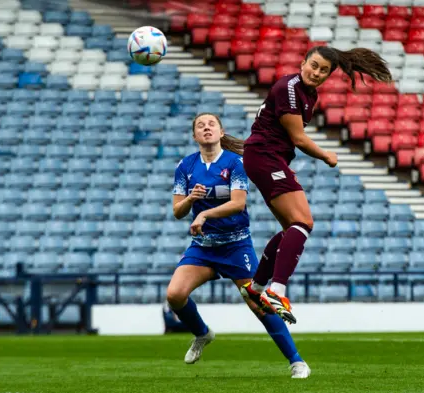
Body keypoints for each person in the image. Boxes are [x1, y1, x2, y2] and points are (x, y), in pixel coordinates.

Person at [240, 46, 393, 323]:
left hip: (269, 158)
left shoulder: (310, 94)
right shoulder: (289, 87)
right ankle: (277, 290)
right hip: (266, 158)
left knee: (292, 228)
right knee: (304, 223)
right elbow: (298, 139)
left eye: (324, 70)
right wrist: (326, 155)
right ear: (303, 62)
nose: (317, 73)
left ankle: (256, 288)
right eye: (314, 65)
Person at [166, 113, 311, 378]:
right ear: (194, 136)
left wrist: (204, 213)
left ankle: (297, 361)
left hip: (236, 247)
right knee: (174, 295)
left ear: (221, 132)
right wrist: (190, 200)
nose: (206, 127)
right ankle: (202, 334)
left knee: (258, 304)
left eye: (211, 124)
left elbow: (238, 203)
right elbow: (177, 211)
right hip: (203, 248)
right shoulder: (184, 166)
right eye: (200, 125)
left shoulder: (236, 163)